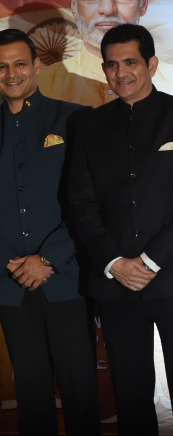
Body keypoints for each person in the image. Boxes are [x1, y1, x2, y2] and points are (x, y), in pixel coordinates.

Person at [0, 29, 100, 435]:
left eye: (20, 63)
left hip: (67, 277)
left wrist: (47, 259)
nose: (12, 73)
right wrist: (14, 266)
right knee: (31, 390)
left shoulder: (74, 119)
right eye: (1, 66)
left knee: (79, 388)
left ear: (37, 65)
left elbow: (85, 203)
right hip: (10, 281)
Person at [68, 23, 173, 435]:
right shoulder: (88, 126)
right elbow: (80, 203)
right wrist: (115, 262)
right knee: (130, 394)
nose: (120, 73)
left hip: (172, 275)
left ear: (151, 64)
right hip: (114, 284)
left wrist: (148, 260)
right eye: (111, 65)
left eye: (130, 62)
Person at [40, 0, 173, 106]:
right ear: (74, 6)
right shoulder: (42, 87)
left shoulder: (170, 83)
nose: (108, 9)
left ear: (143, 3)